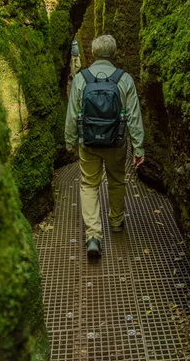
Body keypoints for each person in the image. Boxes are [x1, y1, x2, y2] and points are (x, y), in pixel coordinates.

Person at [65, 34, 145, 258]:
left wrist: (70, 140)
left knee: (89, 184)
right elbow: (134, 116)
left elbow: (72, 114)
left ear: (92, 53)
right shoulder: (124, 79)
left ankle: (93, 236)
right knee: (117, 180)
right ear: (114, 54)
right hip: (116, 142)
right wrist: (138, 148)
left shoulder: (82, 79)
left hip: (88, 143)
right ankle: (117, 221)